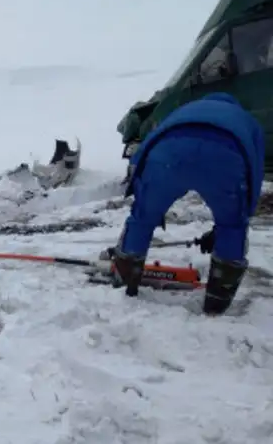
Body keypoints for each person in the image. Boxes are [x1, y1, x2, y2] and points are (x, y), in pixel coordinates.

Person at [111, 92, 265, 315]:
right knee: (233, 227)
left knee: (141, 221)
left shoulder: (183, 112)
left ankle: (124, 286)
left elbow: (148, 146)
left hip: (166, 157)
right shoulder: (245, 120)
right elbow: (255, 172)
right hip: (225, 159)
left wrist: (140, 192)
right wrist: (239, 217)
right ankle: (216, 303)